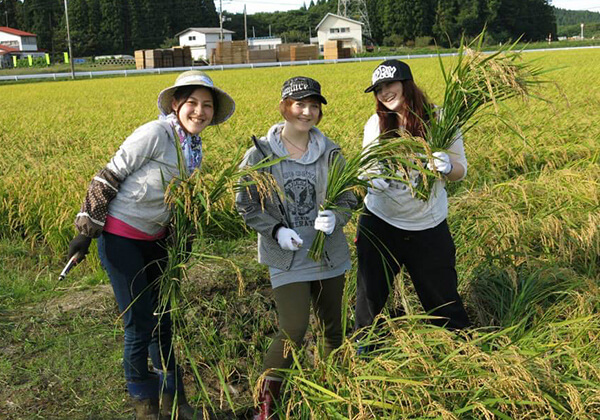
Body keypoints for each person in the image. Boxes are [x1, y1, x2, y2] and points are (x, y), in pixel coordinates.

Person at [66, 70, 235, 419]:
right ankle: (146, 406)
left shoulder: (193, 148)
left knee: (164, 319)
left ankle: (176, 400)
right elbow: (110, 175)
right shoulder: (156, 133)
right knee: (139, 324)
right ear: (176, 105)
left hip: (157, 241)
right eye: (192, 103)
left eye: (207, 106)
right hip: (121, 238)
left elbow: (179, 200)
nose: (200, 112)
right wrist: (87, 226)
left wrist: (181, 239)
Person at [235, 76, 357, 419]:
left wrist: (337, 216)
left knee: (335, 327)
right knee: (293, 328)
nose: (307, 112)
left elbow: (348, 198)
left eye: (314, 106)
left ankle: (336, 393)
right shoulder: (260, 154)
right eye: (300, 104)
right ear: (284, 107)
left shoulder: (331, 152)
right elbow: (245, 204)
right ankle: (266, 407)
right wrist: (275, 230)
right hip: (287, 257)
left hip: (329, 252)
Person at [355, 60, 471, 343]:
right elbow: (365, 169)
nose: (384, 93)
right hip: (380, 223)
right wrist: (371, 179)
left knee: (443, 298)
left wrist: (446, 166)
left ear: (406, 83)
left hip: (428, 224)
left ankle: (462, 350)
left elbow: (460, 171)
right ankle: (364, 349)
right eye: (378, 89)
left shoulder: (441, 120)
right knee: (370, 298)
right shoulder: (376, 124)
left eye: (390, 85)